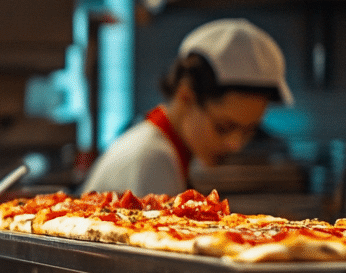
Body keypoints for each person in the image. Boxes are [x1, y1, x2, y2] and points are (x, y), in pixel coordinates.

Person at [80, 18, 292, 197]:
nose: (235, 144)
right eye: (224, 127)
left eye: (249, 131)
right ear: (186, 96)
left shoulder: (160, 148)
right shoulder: (153, 161)